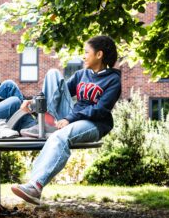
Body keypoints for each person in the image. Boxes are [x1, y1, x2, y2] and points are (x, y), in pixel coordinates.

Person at [11, 35, 121, 205]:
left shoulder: (113, 80)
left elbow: (99, 110)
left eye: (86, 52)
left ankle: (36, 185)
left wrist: (70, 119)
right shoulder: (81, 75)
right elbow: (57, 93)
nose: (83, 56)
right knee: (53, 73)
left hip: (94, 124)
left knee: (60, 136)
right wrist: (34, 102)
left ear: (99, 54)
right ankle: (43, 120)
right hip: (72, 116)